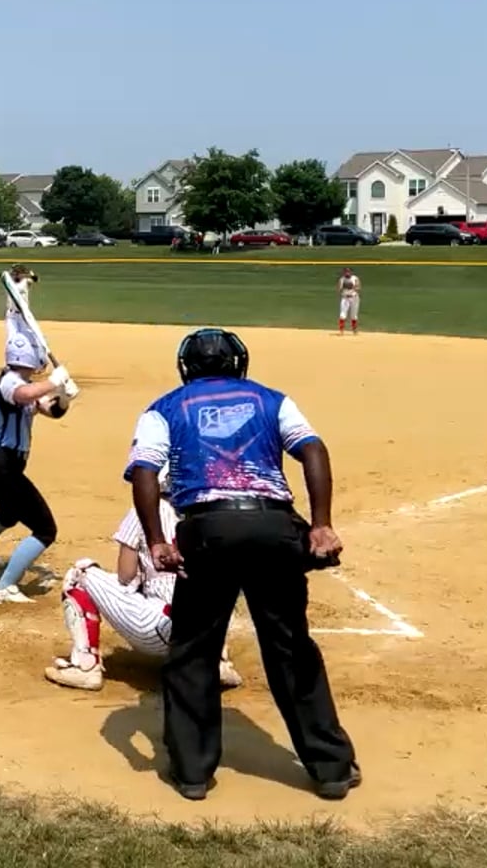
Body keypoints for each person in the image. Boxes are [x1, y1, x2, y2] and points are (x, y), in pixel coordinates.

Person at [125, 328, 359, 802]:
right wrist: (320, 524)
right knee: (290, 646)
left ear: (186, 368)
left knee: (194, 649)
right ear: (239, 363)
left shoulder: (164, 408)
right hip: (274, 528)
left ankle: (192, 771)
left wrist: (156, 540)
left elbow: (145, 470)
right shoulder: (271, 399)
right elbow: (312, 449)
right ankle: (330, 767)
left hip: (207, 532)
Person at [44, 490, 245, 692]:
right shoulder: (210, 510)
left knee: (79, 574)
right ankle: (216, 662)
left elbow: (126, 575)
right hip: (204, 630)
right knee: (217, 584)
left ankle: (85, 667)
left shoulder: (144, 510)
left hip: (157, 627)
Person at [0, 329, 79, 605]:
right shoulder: (10, 382)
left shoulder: (23, 385)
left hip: (3, 467)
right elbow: (24, 394)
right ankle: (4, 587)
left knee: (10, 511)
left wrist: (63, 396)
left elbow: (51, 410)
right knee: (45, 529)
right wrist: (54, 380)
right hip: (0, 466)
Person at [337, 268, 361, 335]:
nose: (347, 273)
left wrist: (353, 287)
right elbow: (339, 289)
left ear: (351, 272)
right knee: (342, 315)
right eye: (346, 272)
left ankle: (354, 330)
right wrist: (342, 288)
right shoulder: (342, 279)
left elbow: (358, 287)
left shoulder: (355, 278)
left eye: (348, 272)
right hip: (345, 298)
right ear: (344, 272)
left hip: (354, 298)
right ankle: (341, 330)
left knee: (354, 315)